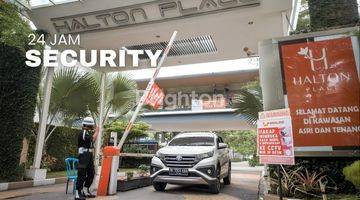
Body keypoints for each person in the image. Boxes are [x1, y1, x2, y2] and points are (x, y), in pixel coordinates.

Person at [75, 117, 99, 200]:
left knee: (91, 173)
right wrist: (97, 132)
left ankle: (85, 190)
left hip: (89, 155)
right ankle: (78, 193)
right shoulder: (83, 132)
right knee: (81, 174)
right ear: (89, 125)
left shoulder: (87, 132)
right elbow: (92, 138)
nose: (93, 126)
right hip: (83, 155)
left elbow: (91, 140)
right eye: (92, 125)